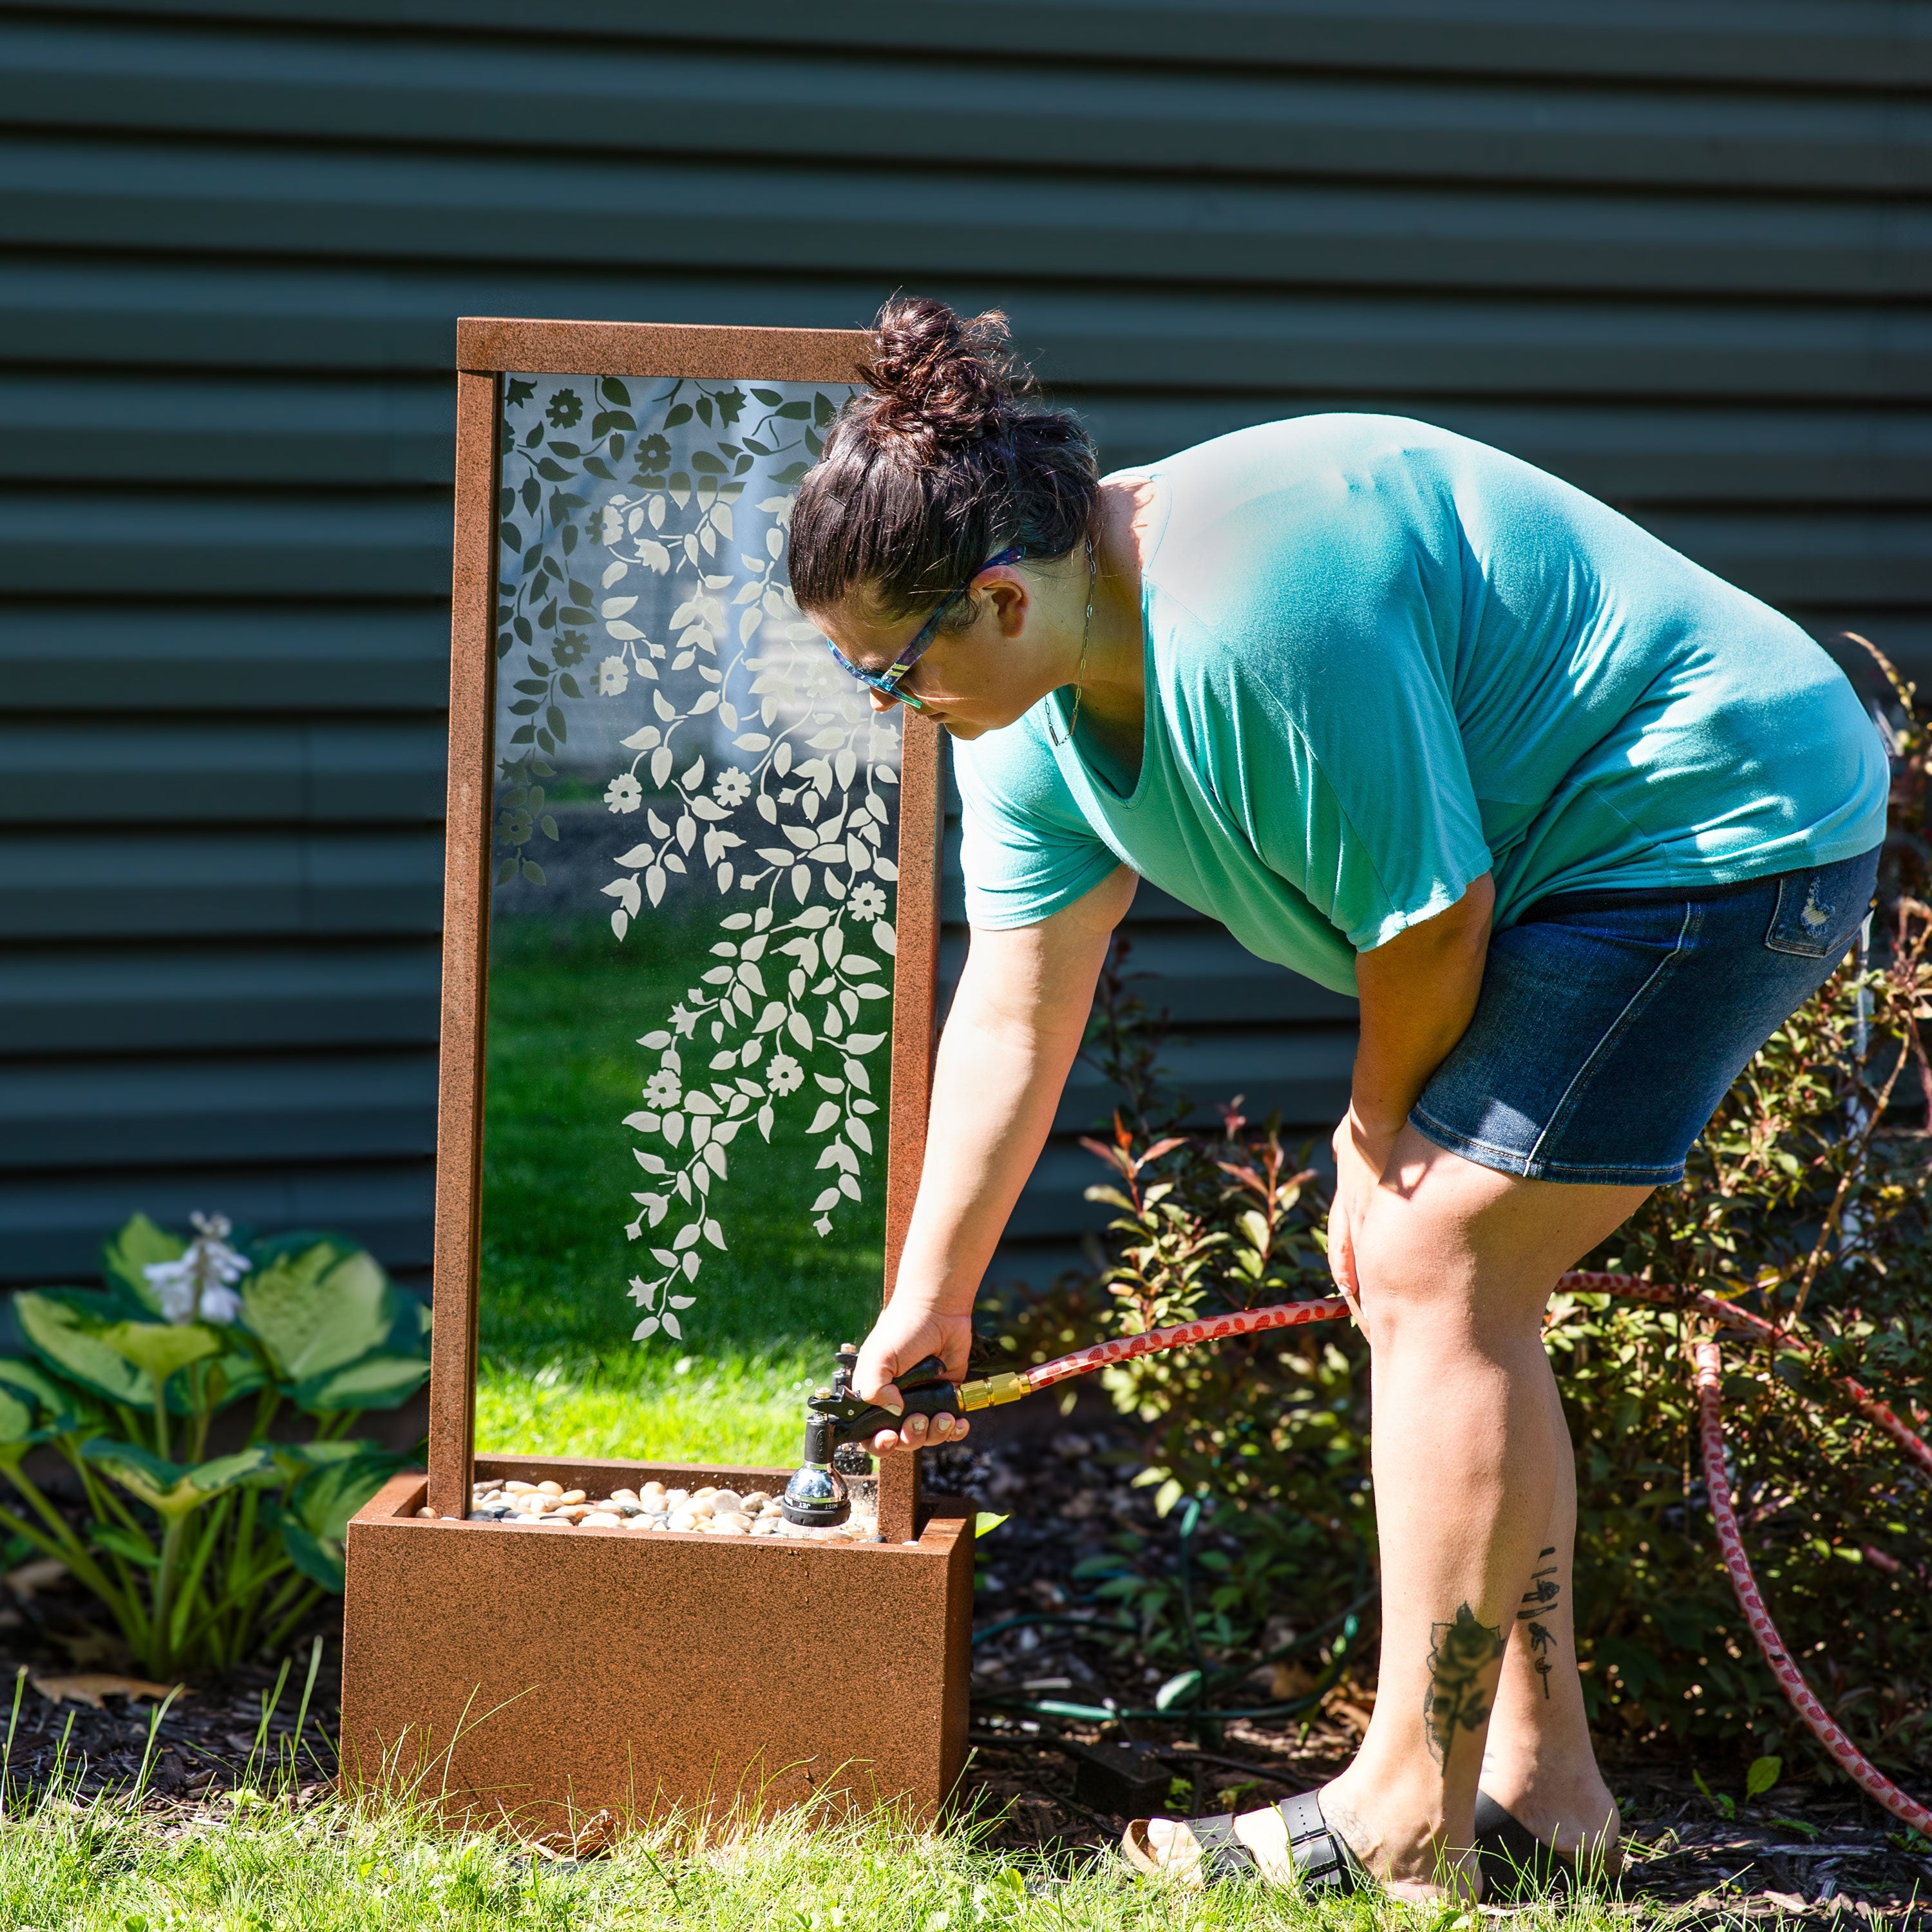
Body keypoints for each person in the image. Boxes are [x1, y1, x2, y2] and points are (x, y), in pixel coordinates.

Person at [788, 297, 1888, 1900]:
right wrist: (928, 1298)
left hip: (1725, 820)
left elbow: (1428, 918)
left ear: (1000, 596)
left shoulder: (1258, 603)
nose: (890, 708)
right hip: (1571, 873)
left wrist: (1376, 1144)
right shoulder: (1017, 709)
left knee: (1438, 1261)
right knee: (1460, 1283)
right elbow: (1018, 998)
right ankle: (1546, 1789)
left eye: (887, 674)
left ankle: (1402, 1805)